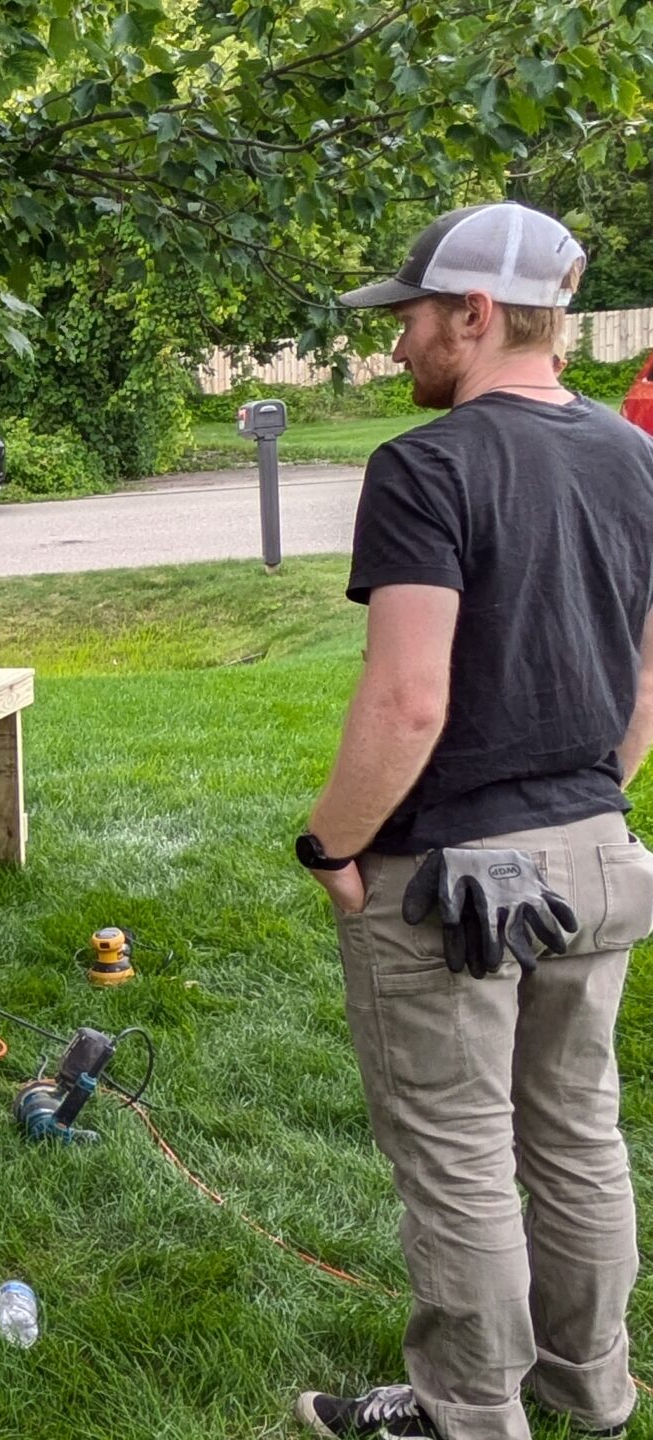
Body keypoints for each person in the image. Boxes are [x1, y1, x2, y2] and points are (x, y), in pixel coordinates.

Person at [293, 201, 653, 1440]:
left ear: (476, 313)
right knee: (575, 1134)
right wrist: (591, 802)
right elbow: (648, 674)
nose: (395, 348)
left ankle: (464, 1414)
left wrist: (331, 844)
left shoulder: (424, 466)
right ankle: (592, 1388)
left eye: (408, 321)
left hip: (453, 881)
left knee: (456, 1158)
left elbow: (405, 700)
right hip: (601, 854)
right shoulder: (631, 455)